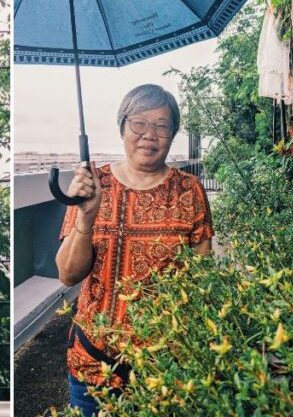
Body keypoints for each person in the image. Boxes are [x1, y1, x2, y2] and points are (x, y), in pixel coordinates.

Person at [56, 84, 213, 415]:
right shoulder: (93, 185)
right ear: (122, 127)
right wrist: (87, 215)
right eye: (139, 123)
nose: (149, 135)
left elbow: (202, 281)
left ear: (173, 134)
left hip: (163, 367)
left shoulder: (190, 190)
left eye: (161, 125)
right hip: (93, 365)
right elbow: (68, 274)